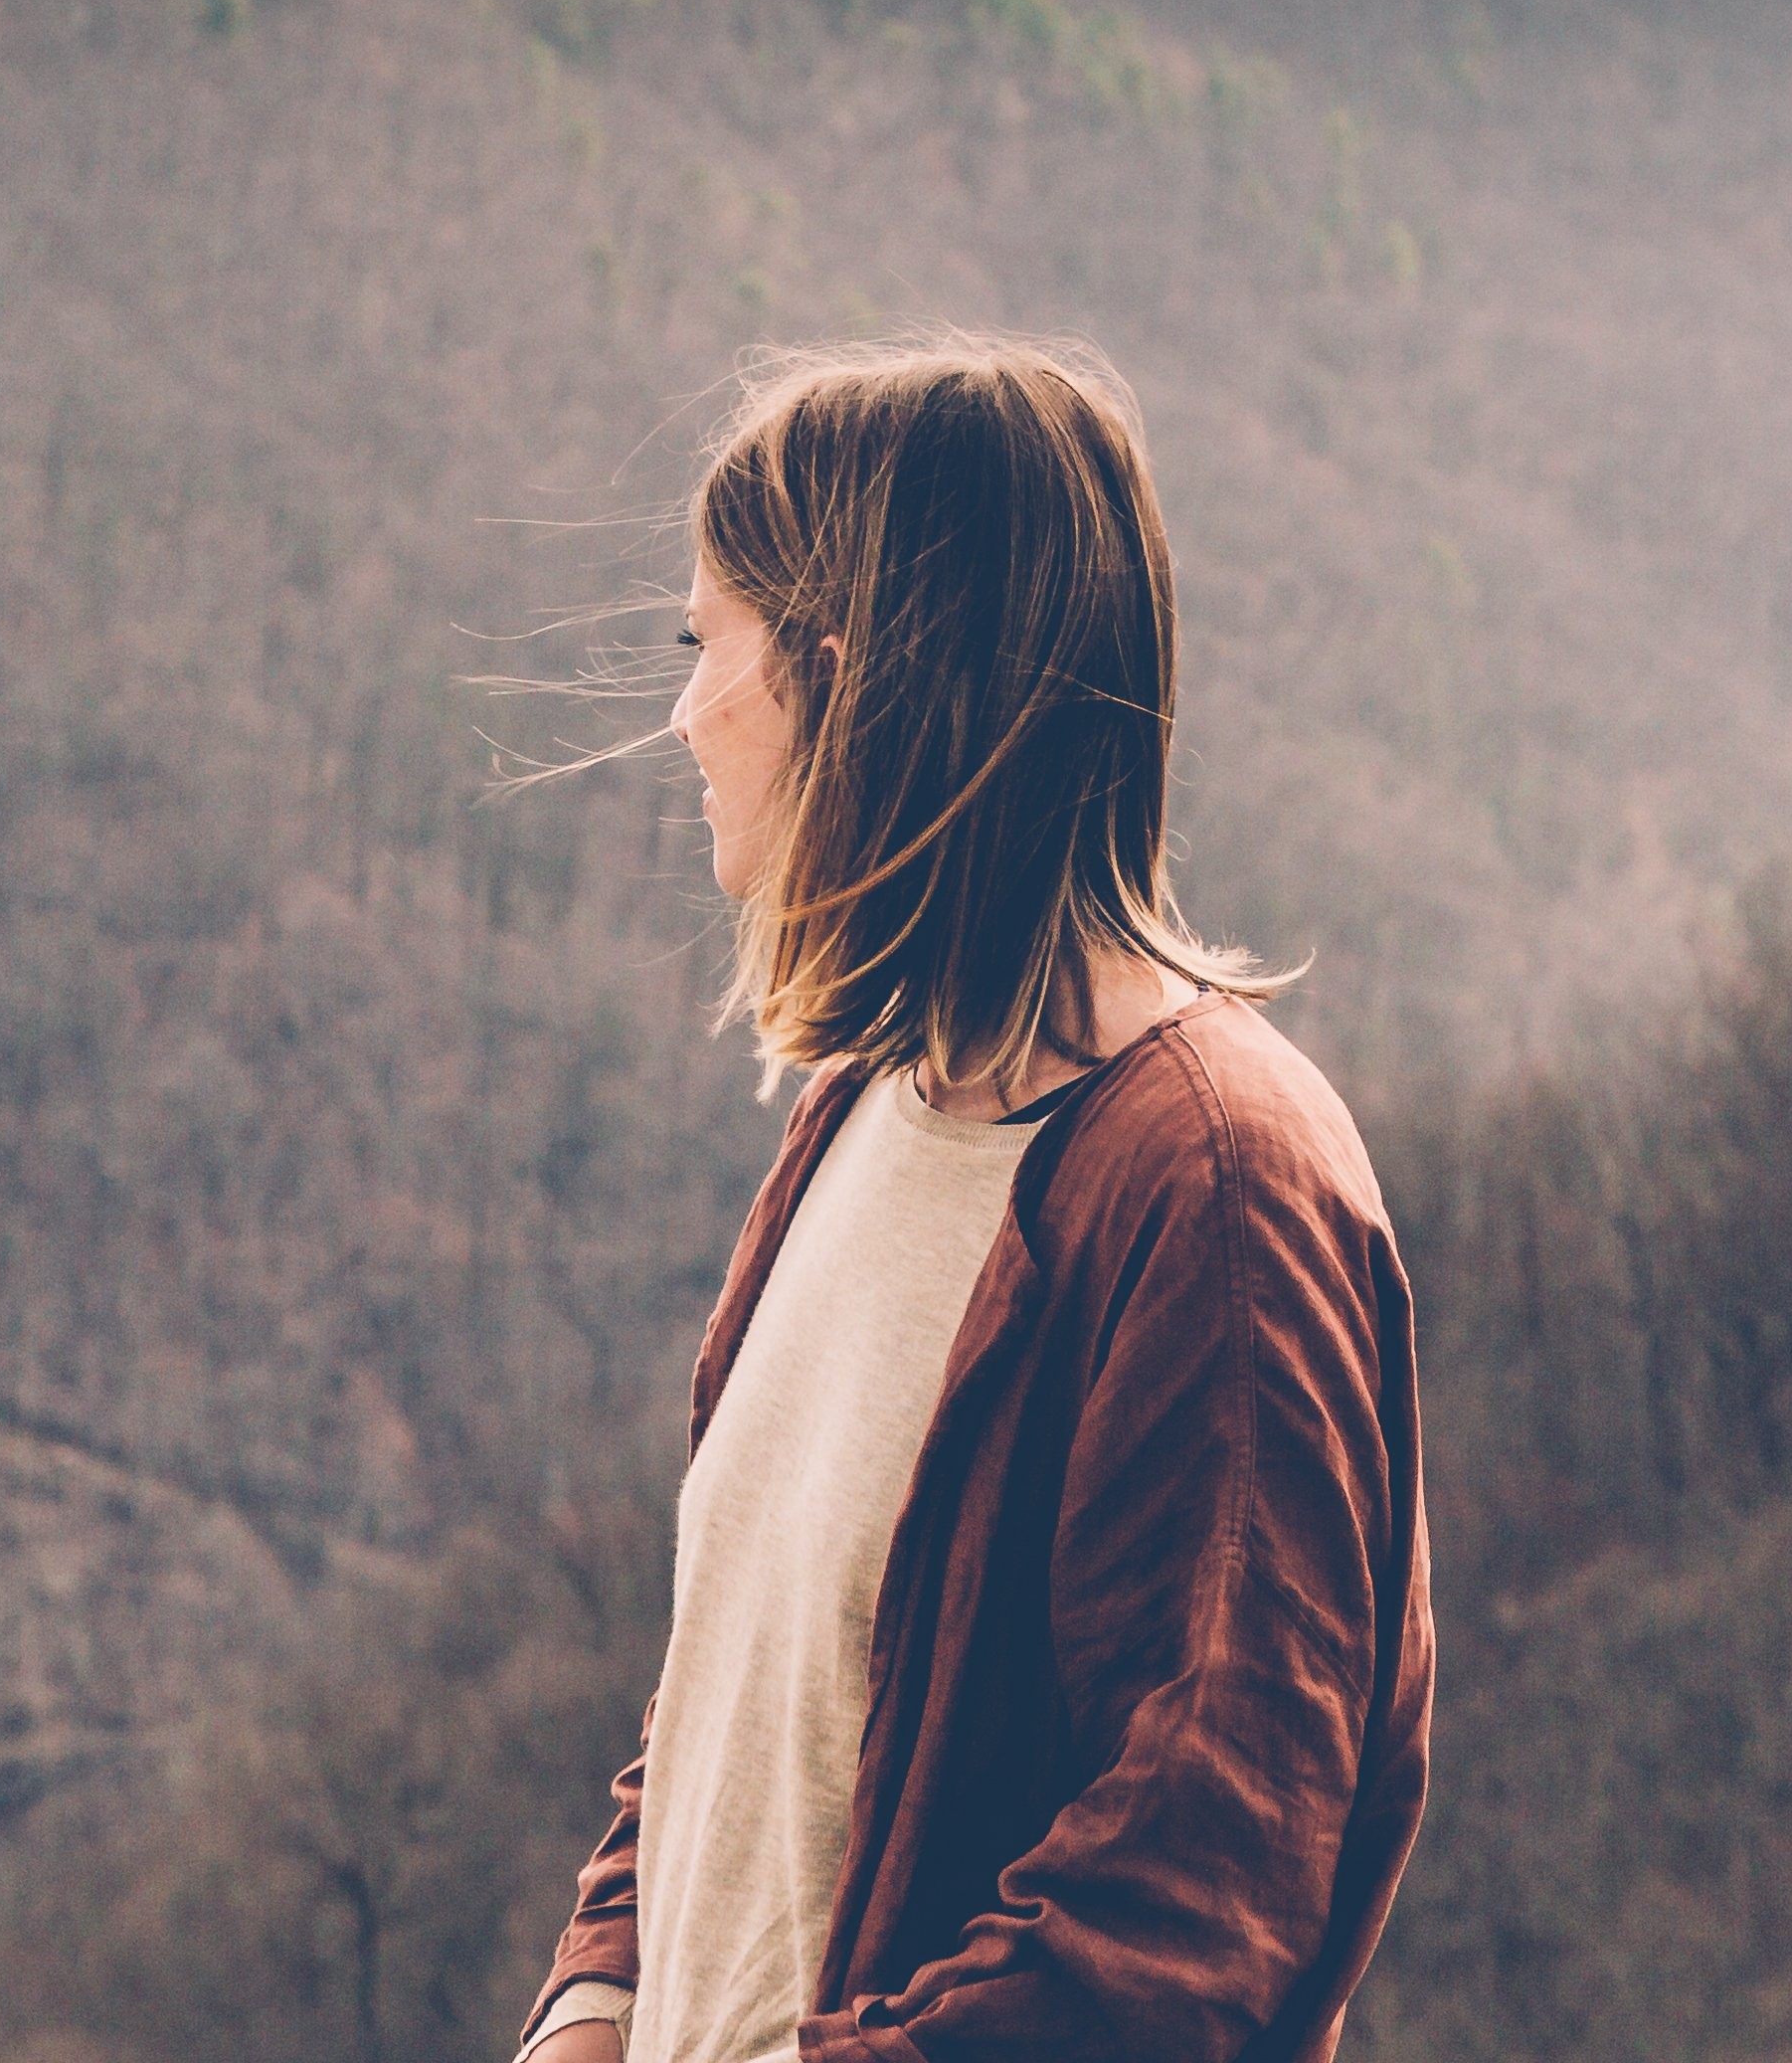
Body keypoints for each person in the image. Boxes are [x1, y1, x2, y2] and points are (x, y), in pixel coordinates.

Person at [514, 335, 1431, 2063]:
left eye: (704, 646)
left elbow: (1195, 1907)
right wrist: (594, 1995)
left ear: (843, 686)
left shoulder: (1215, 1192)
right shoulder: (870, 1102)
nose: (682, 715)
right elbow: (750, 1683)